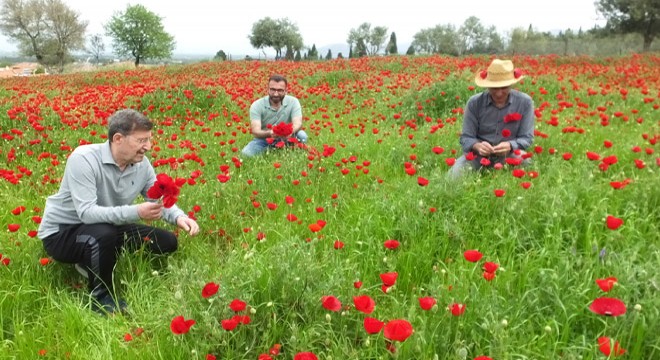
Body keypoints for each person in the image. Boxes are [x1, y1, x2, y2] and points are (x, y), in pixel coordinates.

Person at [37, 109, 200, 315]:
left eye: (149, 140)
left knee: (167, 242)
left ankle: (93, 260)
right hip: (63, 233)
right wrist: (137, 211)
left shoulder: (142, 165)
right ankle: (101, 299)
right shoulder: (84, 159)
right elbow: (86, 214)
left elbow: (156, 198)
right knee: (102, 235)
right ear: (118, 138)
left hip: (108, 227)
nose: (148, 147)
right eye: (141, 140)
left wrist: (179, 216)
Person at [450, 59, 534, 178]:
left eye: (504, 87)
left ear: (511, 84)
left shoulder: (525, 102)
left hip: (509, 156)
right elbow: (466, 138)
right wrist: (477, 146)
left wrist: (510, 145)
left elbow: (527, 138)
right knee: (454, 176)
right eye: (494, 88)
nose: (499, 93)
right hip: (478, 156)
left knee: (526, 163)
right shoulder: (474, 103)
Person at [241, 74, 308, 157]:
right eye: (273, 90)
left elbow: (298, 123)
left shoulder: (293, 102)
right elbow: (255, 131)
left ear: (286, 91)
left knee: (302, 136)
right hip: (265, 138)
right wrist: (270, 133)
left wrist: (289, 132)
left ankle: (286, 149)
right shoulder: (257, 105)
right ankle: (271, 149)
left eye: (280, 90)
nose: (276, 94)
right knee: (246, 154)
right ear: (268, 90)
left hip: (288, 137)